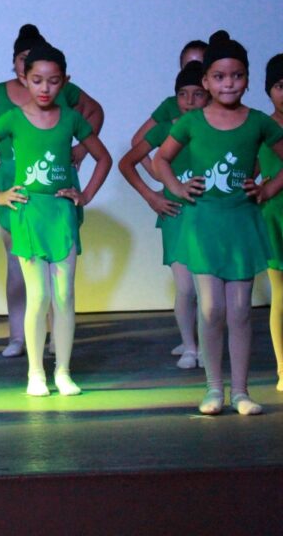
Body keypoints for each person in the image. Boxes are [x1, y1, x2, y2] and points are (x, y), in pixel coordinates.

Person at [153, 31, 283, 415]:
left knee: (240, 309)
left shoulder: (258, 121)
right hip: (204, 222)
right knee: (211, 309)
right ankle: (213, 389)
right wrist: (176, 186)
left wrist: (267, 189)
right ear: (206, 81)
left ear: (246, 78)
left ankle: (240, 391)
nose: (229, 84)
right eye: (220, 77)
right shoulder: (192, 122)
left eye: (237, 76)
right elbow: (161, 160)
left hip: (241, 222)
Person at [0, 43, 111, 396]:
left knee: (64, 295)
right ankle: (36, 373)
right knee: (39, 296)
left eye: (52, 81)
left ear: (65, 81)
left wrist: (86, 195)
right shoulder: (13, 118)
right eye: (37, 80)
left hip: (61, 212)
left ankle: (63, 371)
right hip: (28, 212)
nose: (45, 89)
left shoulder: (72, 118)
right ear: (24, 78)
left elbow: (104, 158)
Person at [118, 61, 208, 369]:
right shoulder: (167, 129)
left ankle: (206, 346)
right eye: (183, 94)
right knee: (185, 287)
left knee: (207, 289)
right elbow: (128, 160)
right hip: (176, 214)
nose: (190, 101)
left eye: (198, 94)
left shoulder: (221, 128)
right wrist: (152, 195)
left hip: (211, 217)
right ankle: (190, 347)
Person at [259, 53, 283, 391]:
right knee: (280, 292)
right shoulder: (262, 128)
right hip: (274, 215)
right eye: (280, 85)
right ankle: (282, 367)